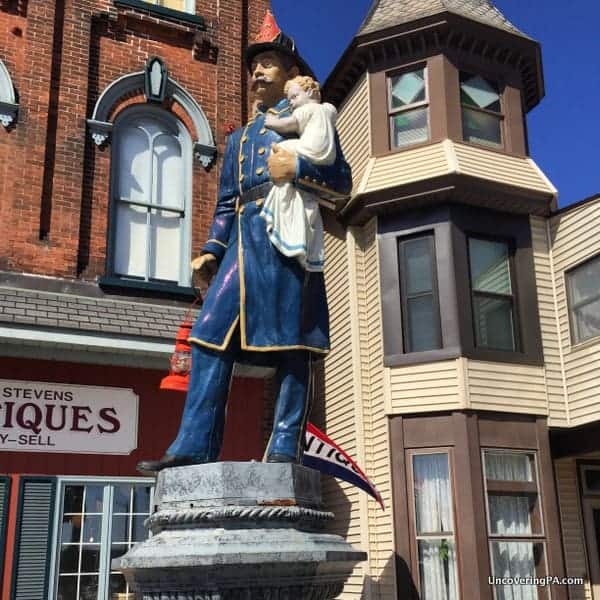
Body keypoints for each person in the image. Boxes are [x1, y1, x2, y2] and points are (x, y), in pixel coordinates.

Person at [136, 11, 351, 473]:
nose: (257, 72)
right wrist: (212, 250)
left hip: (288, 242)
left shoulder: (311, 120)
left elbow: (343, 183)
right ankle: (195, 445)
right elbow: (225, 203)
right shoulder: (237, 140)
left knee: (294, 347)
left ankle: (284, 447)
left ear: (292, 75)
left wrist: (299, 170)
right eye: (255, 65)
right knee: (210, 334)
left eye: (269, 63)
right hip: (243, 245)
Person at [261, 75, 337, 272]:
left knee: (279, 149)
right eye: (289, 100)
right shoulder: (328, 110)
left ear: (310, 93)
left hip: (308, 151)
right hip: (324, 153)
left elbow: (289, 125)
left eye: (294, 97)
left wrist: (271, 122)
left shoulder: (307, 109)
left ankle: (282, 211)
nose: (292, 103)